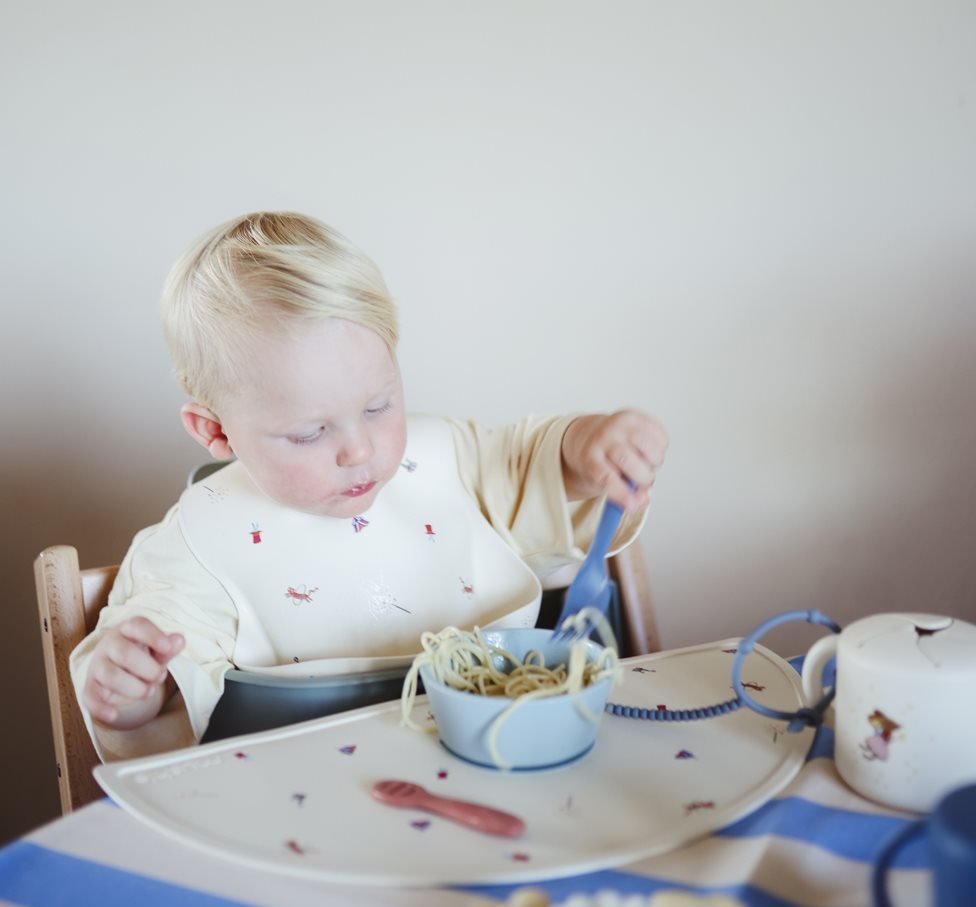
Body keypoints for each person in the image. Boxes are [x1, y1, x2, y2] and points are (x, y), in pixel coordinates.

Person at [70, 211, 668, 761]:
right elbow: (163, 686)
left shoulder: (450, 462)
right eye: (310, 432)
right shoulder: (198, 543)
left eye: (378, 406)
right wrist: (133, 689)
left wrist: (587, 447)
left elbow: (530, 468)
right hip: (310, 800)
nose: (359, 450)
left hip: (503, 761)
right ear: (216, 431)